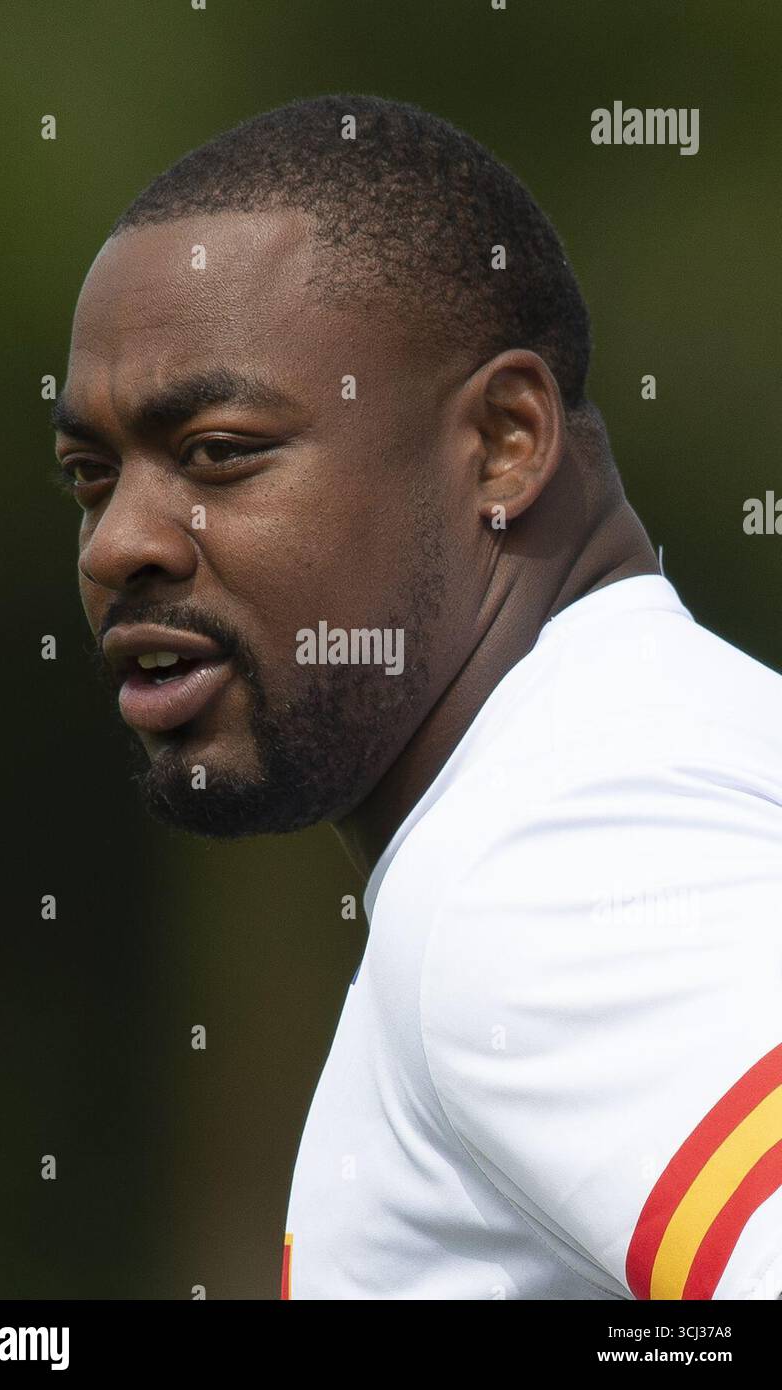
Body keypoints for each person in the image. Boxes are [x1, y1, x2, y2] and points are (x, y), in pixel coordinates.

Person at [54, 95, 782, 1300]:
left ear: (505, 441)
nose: (118, 542)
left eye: (219, 452)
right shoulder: (684, 745)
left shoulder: (547, 861)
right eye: (91, 476)